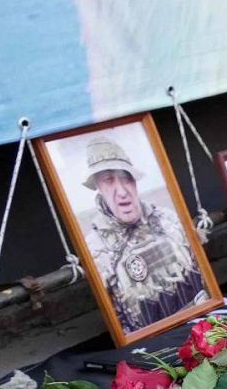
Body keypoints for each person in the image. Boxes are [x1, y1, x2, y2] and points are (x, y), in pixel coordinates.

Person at [80, 135, 206, 333]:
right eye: (109, 181)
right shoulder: (95, 248)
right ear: (98, 187)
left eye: (125, 178)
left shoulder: (168, 220)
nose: (121, 191)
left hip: (201, 323)